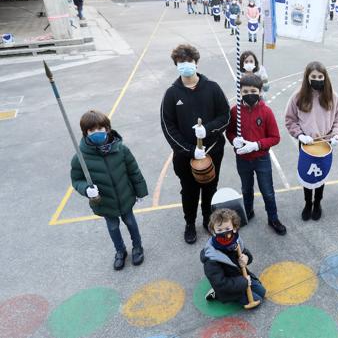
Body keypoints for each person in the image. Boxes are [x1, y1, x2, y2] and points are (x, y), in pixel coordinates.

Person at [160, 44, 230, 244]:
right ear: (176, 65)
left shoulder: (212, 88)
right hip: (185, 156)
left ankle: (208, 219)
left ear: (196, 63)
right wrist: (190, 150)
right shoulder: (171, 94)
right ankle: (190, 223)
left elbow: (225, 116)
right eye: (181, 63)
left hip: (213, 151)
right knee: (189, 191)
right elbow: (168, 127)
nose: (186, 66)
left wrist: (208, 129)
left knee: (210, 187)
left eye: (189, 62)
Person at [71, 110, 148, 270]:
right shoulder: (80, 157)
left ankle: (137, 247)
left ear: (107, 129)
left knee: (130, 222)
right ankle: (120, 251)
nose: (96, 133)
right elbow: (77, 180)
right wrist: (86, 190)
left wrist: (140, 191)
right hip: (104, 202)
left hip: (124, 196)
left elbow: (134, 170)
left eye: (100, 129)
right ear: (86, 133)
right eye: (92, 130)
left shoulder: (121, 149)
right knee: (113, 227)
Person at [225, 75, 287, 235]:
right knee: (246, 189)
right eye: (245, 91)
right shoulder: (235, 111)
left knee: (267, 191)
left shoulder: (266, 112)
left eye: (253, 91)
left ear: (260, 91)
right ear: (240, 92)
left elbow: (275, 137)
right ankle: (248, 211)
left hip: (261, 159)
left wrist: (257, 145)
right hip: (243, 159)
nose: (249, 93)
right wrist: (234, 141)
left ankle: (273, 217)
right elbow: (230, 132)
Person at [285, 61, 338, 221]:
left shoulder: (333, 97)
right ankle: (307, 203)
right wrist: (299, 135)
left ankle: (317, 203)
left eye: (320, 76)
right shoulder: (298, 96)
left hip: (325, 143)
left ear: (325, 77)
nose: (317, 79)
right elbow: (290, 120)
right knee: (307, 175)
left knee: (320, 175)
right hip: (306, 144)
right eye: (314, 76)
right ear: (307, 77)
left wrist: (337, 135)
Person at [200, 209, 266, 305]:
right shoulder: (211, 259)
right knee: (258, 300)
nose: (224, 233)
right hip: (227, 288)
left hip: (240, 277)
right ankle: (217, 294)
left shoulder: (235, 241)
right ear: (213, 232)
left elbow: (246, 253)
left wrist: (246, 258)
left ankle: (240, 288)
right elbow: (221, 284)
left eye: (227, 229)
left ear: (234, 228)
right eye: (219, 230)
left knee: (262, 292)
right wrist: (243, 282)